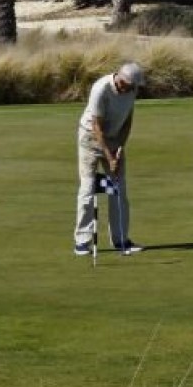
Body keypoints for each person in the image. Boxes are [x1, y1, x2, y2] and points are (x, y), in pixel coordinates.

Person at [75, 61, 145, 257]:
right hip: (90, 138)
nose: (130, 90)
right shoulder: (101, 89)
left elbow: (128, 120)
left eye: (133, 87)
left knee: (119, 189)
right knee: (88, 189)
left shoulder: (131, 90)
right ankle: (82, 242)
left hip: (115, 139)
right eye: (128, 86)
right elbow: (97, 127)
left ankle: (121, 239)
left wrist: (120, 149)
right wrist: (109, 156)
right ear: (120, 79)